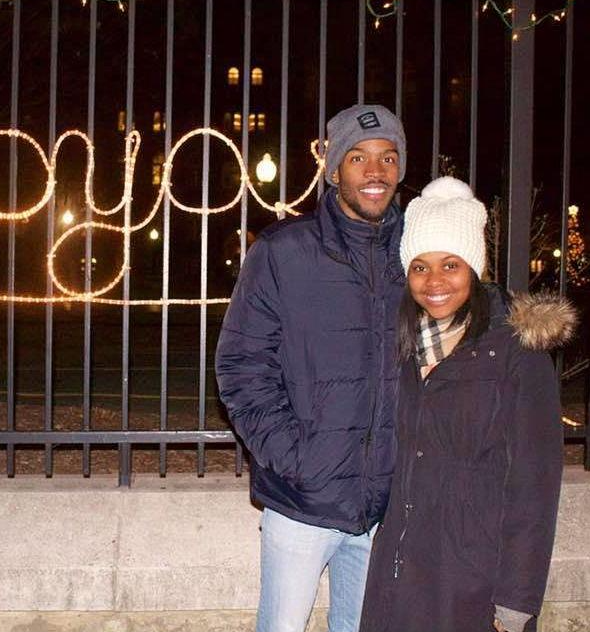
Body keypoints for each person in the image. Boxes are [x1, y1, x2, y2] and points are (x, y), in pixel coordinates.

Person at [215, 104, 407, 632]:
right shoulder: (284, 251)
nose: (376, 171)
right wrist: (295, 457)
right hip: (302, 501)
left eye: (388, 157)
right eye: (358, 157)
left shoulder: (417, 253)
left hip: (384, 506)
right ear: (334, 169)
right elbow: (240, 365)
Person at [359, 176, 575, 632]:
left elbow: (535, 486)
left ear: (474, 268)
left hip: (474, 585)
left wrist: (517, 599)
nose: (434, 281)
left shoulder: (515, 352)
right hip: (399, 577)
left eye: (450, 264)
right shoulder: (403, 348)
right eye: (420, 266)